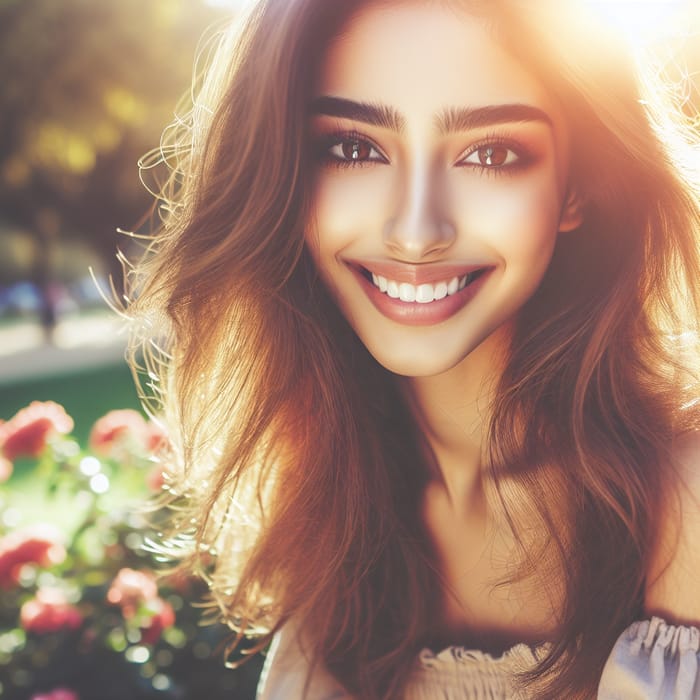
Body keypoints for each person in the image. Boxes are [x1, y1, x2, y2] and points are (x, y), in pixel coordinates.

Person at [127, 0, 700, 697]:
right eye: (353, 147)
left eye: (490, 153)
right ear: (285, 170)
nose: (416, 230)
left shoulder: (680, 500)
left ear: (576, 186)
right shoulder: (332, 502)